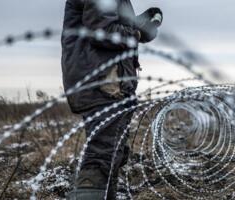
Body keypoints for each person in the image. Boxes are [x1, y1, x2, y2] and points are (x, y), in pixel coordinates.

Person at [61, 0, 162, 199]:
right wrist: (138, 34)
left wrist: (138, 24)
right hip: (103, 84)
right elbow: (102, 30)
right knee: (102, 156)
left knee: (112, 153)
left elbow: (106, 23)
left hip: (107, 83)